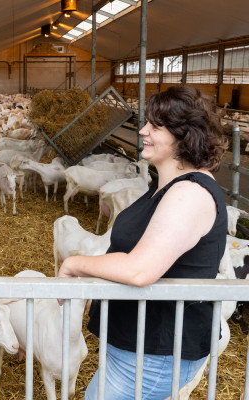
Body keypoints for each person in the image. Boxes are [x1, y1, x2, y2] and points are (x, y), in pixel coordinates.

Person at [58, 85, 228, 400]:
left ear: (183, 134)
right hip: (137, 347)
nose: (142, 130)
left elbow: (140, 269)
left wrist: (74, 264)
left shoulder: (189, 193)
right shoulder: (164, 187)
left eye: (155, 125)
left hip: (155, 353)